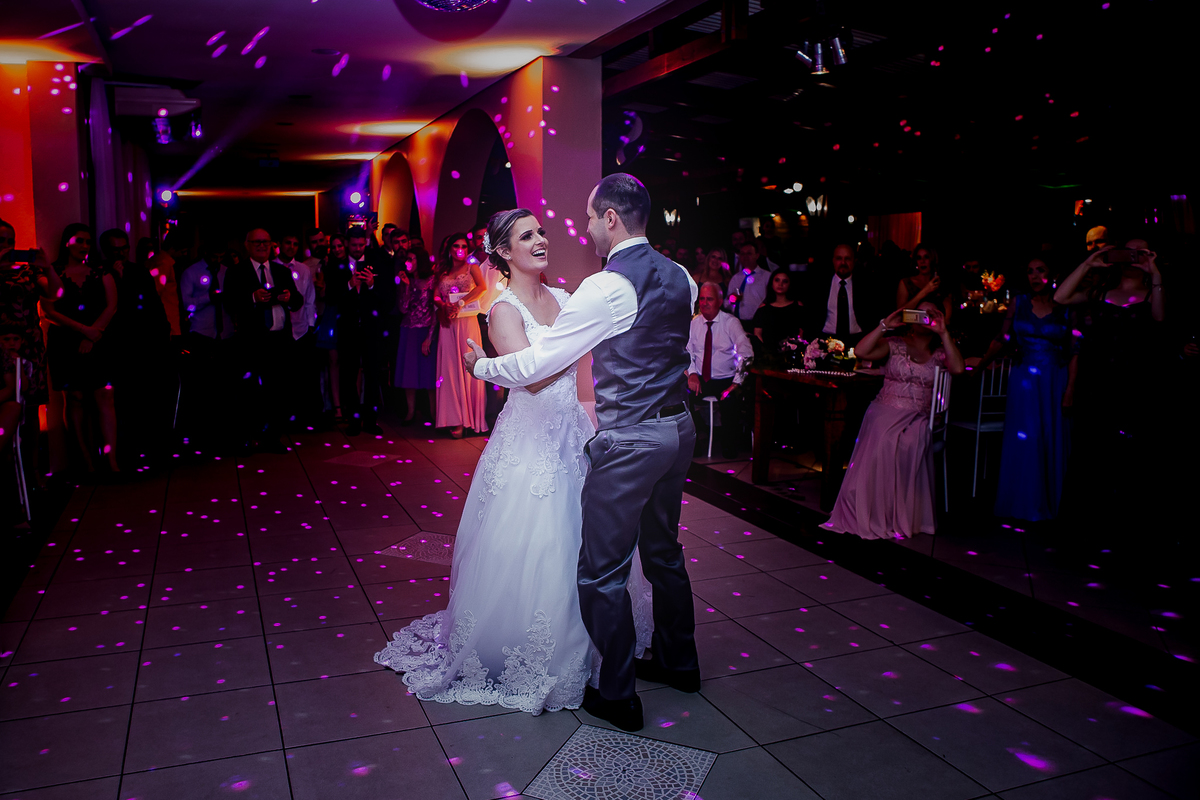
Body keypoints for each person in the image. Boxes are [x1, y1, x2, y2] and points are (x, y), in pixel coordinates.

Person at [377, 208, 653, 715]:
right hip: (529, 443)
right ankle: (532, 648)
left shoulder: (568, 298)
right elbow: (535, 379)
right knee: (539, 541)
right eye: (527, 236)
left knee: (587, 538)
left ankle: (598, 641)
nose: (541, 240)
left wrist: (487, 366)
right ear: (504, 252)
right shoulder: (503, 311)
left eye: (542, 231)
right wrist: (499, 365)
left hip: (572, 431)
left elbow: (568, 359)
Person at [466, 173, 700, 733]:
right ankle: (679, 662)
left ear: (611, 219)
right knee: (664, 550)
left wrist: (481, 367)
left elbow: (535, 366)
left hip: (634, 438)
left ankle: (617, 694)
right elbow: (673, 350)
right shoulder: (684, 277)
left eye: (591, 218)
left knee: (601, 571)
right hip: (679, 429)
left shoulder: (604, 287)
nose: (586, 228)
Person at [821, 301, 965, 539]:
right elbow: (861, 352)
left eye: (930, 313)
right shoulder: (895, 344)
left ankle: (897, 512)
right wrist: (884, 326)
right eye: (920, 312)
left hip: (918, 415)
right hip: (884, 409)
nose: (924, 318)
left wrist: (944, 332)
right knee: (884, 437)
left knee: (909, 441)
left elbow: (959, 369)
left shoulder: (940, 353)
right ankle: (871, 508)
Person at [1053, 238, 1166, 524]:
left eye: (1140, 252)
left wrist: (1155, 274)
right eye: (1128, 251)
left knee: (1131, 459)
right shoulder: (1100, 290)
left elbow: (1159, 318)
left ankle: (1127, 529)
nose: (1132, 257)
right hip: (1097, 385)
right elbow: (1061, 298)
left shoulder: (1152, 292)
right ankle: (1088, 528)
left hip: (1134, 386)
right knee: (1092, 456)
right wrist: (1088, 263)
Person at [968, 257, 1076, 521]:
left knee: (1051, 436)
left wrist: (1070, 389)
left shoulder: (1066, 306)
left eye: (1041, 270)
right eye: (1030, 271)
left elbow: (1075, 351)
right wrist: (981, 365)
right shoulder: (1019, 302)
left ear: (1053, 273)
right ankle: (1023, 504)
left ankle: (1052, 503)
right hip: (1024, 380)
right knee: (1025, 439)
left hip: (1054, 379)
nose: (1035, 276)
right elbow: (1002, 338)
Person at [41, 224, 120, 475]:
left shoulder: (101, 270)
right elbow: (49, 311)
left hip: (98, 338)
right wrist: (82, 331)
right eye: (79, 241)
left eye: (88, 242)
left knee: (104, 395)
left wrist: (93, 333)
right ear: (67, 242)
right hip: (65, 341)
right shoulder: (53, 271)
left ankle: (111, 460)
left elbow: (112, 306)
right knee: (73, 398)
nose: (84, 246)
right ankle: (85, 461)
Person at [223, 228, 303, 452]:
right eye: (256, 242)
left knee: (277, 391)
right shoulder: (236, 272)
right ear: (247, 245)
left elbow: (297, 301)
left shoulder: (281, 270)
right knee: (250, 391)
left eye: (265, 242)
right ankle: (248, 437)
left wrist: (289, 297)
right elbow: (229, 302)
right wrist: (252, 298)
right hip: (252, 341)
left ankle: (273, 437)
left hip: (279, 341)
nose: (261, 246)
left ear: (271, 245)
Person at [99, 228, 170, 465]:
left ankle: (148, 448)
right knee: (121, 401)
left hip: (143, 344)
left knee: (144, 398)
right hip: (117, 345)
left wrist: (163, 332)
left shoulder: (139, 270)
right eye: (115, 249)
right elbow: (112, 309)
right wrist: (117, 281)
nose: (120, 253)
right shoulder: (101, 273)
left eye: (124, 248)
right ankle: (124, 452)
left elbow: (152, 303)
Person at [0, 220, 61, 416]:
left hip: (28, 344)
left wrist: (48, 268)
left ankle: (32, 447)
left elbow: (57, 293)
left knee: (30, 407)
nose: (6, 245)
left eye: (11, 241)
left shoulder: (29, 271)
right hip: (1, 345)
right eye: (1, 240)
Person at [179, 241, 236, 449]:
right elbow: (187, 305)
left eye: (221, 257)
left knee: (223, 386)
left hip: (225, 334)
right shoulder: (191, 273)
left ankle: (221, 432)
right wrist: (208, 297)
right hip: (201, 334)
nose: (218, 261)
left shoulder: (227, 272)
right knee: (201, 386)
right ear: (205, 252)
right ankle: (200, 435)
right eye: (214, 257)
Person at [687, 282, 753, 458]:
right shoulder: (694, 324)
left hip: (726, 379)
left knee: (731, 401)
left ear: (719, 301)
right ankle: (695, 442)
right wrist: (692, 374)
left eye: (709, 299)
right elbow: (687, 352)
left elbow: (746, 354)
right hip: (701, 378)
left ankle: (728, 445)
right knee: (681, 397)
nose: (704, 303)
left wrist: (736, 383)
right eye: (702, 298)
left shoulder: (730, 323)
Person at [433, 232, 488, 438]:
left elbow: (482, 288)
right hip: (448, 323)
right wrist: (443, 304)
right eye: (456, 246)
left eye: (464, 246)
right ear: (449, 249)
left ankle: (471, 419)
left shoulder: (471, 267)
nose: (460, 250)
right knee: (449, 370)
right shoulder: (442, 270)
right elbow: (436, 295)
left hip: (466, 321)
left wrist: (460, 302)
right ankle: (454, 418)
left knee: (468, 367)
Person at [275, 232, 318, 428]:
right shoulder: (271, 268)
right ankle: (282, 417)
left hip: (301, 328)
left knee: (302, 376)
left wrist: (310, 326)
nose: (291, 247)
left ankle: (302, 417)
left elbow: (309, 298)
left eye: (295, 244)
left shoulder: (303, 269)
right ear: (280, 244)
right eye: (287, 243)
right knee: (282, 376)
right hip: (279, 329)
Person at [393, 247, 437, 423]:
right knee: (409, 373)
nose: (408, 262)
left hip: (426, 329)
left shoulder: (432, 280)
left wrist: (430, 336)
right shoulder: (406, 280)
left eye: (412, 259)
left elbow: (434, 311)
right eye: (407, 259)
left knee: (429, 375)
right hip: (408, 329)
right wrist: (405, 286)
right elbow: (403, 308)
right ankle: (410, 412)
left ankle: (434, 413)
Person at [805, 243, 877, 349]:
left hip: (858, 341)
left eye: (847, 259)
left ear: (854, 261)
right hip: (825, 341)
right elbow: (811, 315)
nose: (843, 263)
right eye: (839, 258)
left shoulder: (866, 285)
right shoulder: (819, 285)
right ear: (833, 260)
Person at [752, 267, 806, 352]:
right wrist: (765, 352)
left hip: (793, 354)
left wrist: (796, 348)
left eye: (785, 281)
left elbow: (802, 332)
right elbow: (757, 333)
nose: (780, 284)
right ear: (771, 283)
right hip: (769, 356)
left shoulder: (797, 306)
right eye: (777, 280)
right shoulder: (764, 308)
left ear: (790, 284)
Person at [896, 244, 952, 320]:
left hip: (935, 330)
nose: (922, 261)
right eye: (919, 258)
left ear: (932, 259)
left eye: (926, 257)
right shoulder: (906, 283)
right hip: (911, 330)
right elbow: (899, 315)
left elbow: (947, 318)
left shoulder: (940, 285)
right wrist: (925, 291)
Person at [726, 241, 772, 328]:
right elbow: (726, 304)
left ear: (757, 255)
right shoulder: (735, 278)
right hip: (737, 323)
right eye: (742, 254)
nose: (745, 257)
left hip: (759, 324)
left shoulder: (767, 277)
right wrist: (732, 299)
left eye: (749, 253)